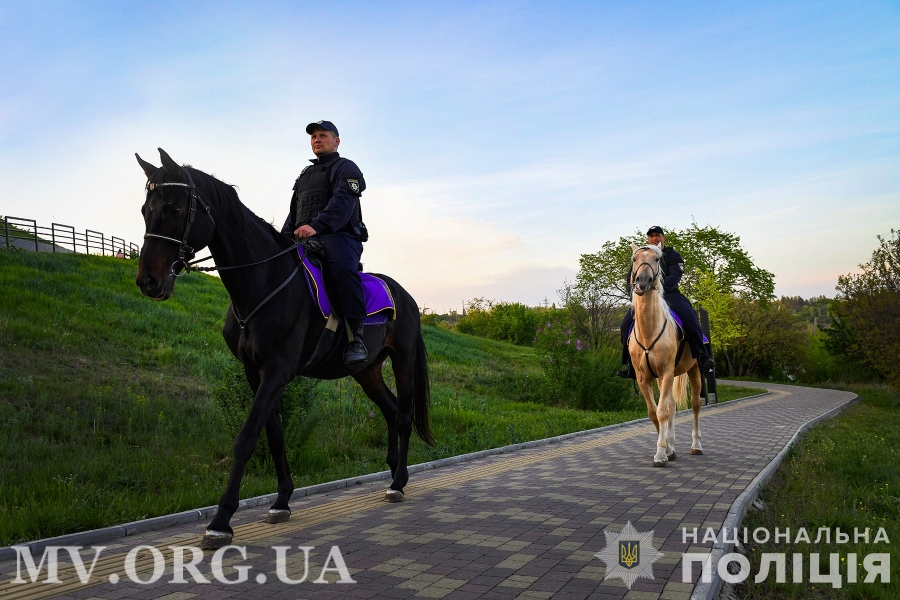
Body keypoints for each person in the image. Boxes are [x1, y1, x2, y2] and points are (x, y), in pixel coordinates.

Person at [281, 120, 369, 367]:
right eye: (313, 137)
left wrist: (316, 226)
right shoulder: (305, 175)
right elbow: (294, 212)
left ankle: (356, 337)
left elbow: (342, 204)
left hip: (339, 237)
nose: (317, 140)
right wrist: (281, 239)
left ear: (336, 141)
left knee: (341, 269)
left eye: (322, 135)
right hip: (305, 237)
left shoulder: (346, 168)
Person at [617, 226, 715, 378]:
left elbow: (675, 276)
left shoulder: (673, 255)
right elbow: (631, 279)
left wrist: (659, 290)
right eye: (651, 236)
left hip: (670, 295)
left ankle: (702, 357)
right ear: (648, 239)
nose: (654, 238)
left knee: (689, 316)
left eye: (657, 235)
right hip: (645, 298)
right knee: (625, 325)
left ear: (663, 238)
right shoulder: (642, 255)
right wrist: (634, 295)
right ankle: (630, 365)